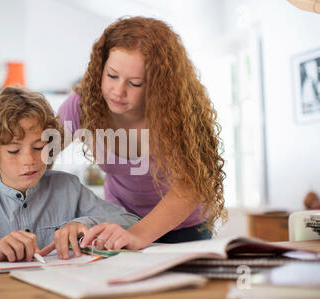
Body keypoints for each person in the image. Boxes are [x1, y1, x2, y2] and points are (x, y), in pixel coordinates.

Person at [56, 16, 227, 250]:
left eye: (135, 83)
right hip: (119, 221)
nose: (118, 91)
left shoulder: (178, 114)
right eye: (112, 75)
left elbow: (187, 188)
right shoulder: (82, 105)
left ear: (159, 85)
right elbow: (38, 153)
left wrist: (137, 236)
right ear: (100, 67)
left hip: (183, 228)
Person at [0, 86, 140, 263]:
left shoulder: (68, 187)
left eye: (39, 147)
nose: (29, 160)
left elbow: (131, 223)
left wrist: (87, 222)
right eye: (13, 150)